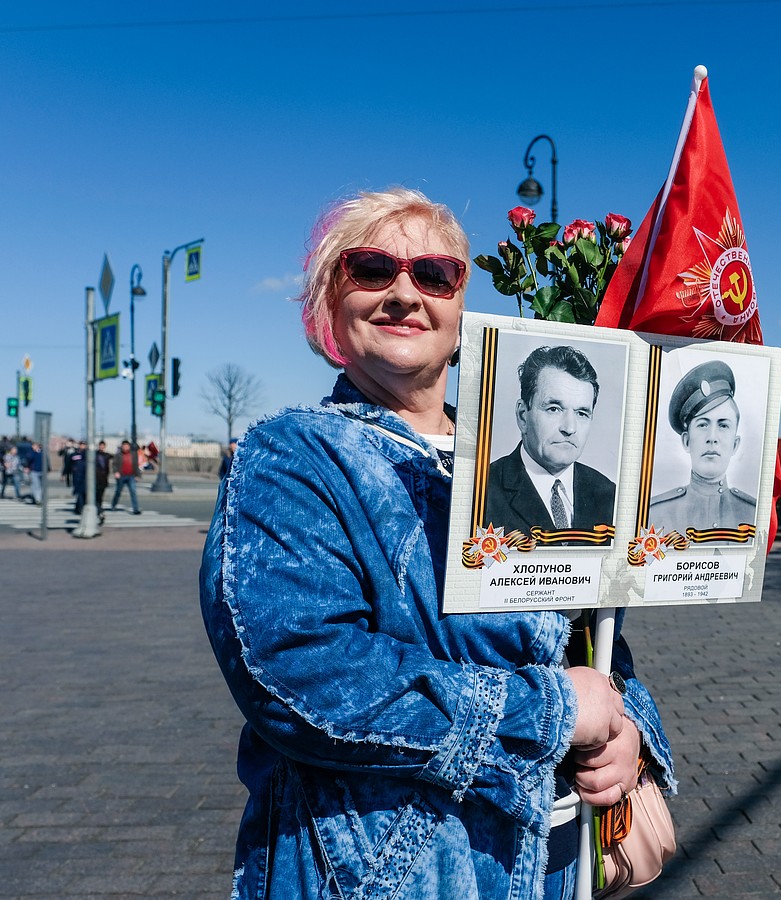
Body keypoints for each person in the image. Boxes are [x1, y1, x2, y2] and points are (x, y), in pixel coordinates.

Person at [199, 188, 673, 900]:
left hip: (547, 861)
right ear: (331, 301)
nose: (403, 294)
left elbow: (587, 639)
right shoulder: (294, 455)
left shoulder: (513, 459)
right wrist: (549, 713)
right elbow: (298, 674)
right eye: (369, 269)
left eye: (433, 275)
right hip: (387, 874)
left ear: (460, 310)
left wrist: (627, 731)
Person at [485, 345, 616, 540]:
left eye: (581, 413)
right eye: (554, 409)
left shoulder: (609, 495)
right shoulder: (482, 492)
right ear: (523, 416)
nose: (569, 428)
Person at [648, 359, 757, 534]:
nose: (712, 438)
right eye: (703, 425)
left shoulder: (753, 513)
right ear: (687, 441)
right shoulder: (655, 514)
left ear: (735, 444)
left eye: (723, 425)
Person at [110, 439, 142, 514]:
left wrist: (138, 475)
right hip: (121, 476)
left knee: (133, 492)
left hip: (131, 476)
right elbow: (114, 464)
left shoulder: (133, 454)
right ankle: (113, 505)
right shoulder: (118, 455)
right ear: (122, 447)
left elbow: (136, 466)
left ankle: (135, 509)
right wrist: (116, 472)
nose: (125, 447)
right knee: (118, 491)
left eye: (127, 446)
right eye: (124, 446)